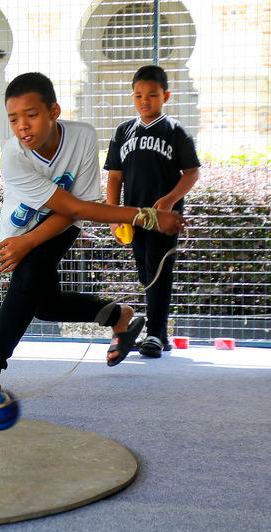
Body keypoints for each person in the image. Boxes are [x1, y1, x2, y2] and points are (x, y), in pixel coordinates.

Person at [0, 72, 184, 399]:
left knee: (30, 275)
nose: (22, 126)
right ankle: (119, 315)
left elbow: (78, 208)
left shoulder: (82, 137)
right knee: (46, 306)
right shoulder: (13, 155)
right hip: (18, 233)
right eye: (14, 119)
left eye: (31, 115)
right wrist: (147, 216)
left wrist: (145, 217)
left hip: (61, 226)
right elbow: (74, 206)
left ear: (54, 111)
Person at [104, 65, 200, 358]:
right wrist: (113, 215)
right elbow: (114, 177)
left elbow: (192, 173)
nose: (144, 101)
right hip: (134, 218)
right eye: (138, 95)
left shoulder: (175, 131)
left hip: (163, 220)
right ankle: (160, 335)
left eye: (152, 95)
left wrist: (170, 200)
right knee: (146, 273)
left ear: (166, 96)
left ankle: (156, 334)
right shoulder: (123, 132)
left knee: (159, 273)